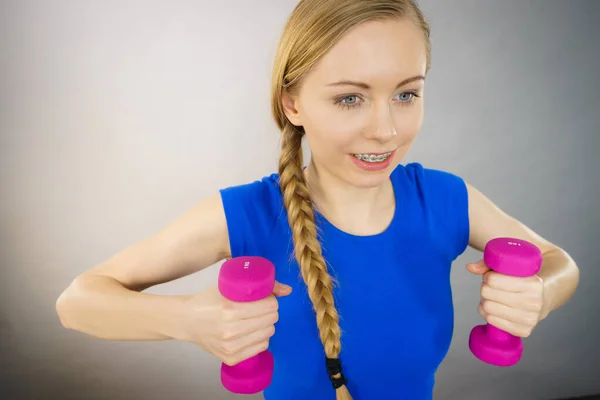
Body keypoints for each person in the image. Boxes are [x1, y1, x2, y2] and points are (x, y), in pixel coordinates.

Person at [55, 1, 580, 399]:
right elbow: (77, 302)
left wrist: (539, 293)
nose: (386, 129)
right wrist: (188, 320)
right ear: (293, 102)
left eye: (407, 93)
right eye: (350, 98)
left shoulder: (444, 200)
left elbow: (562, 264)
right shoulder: (248, 214)